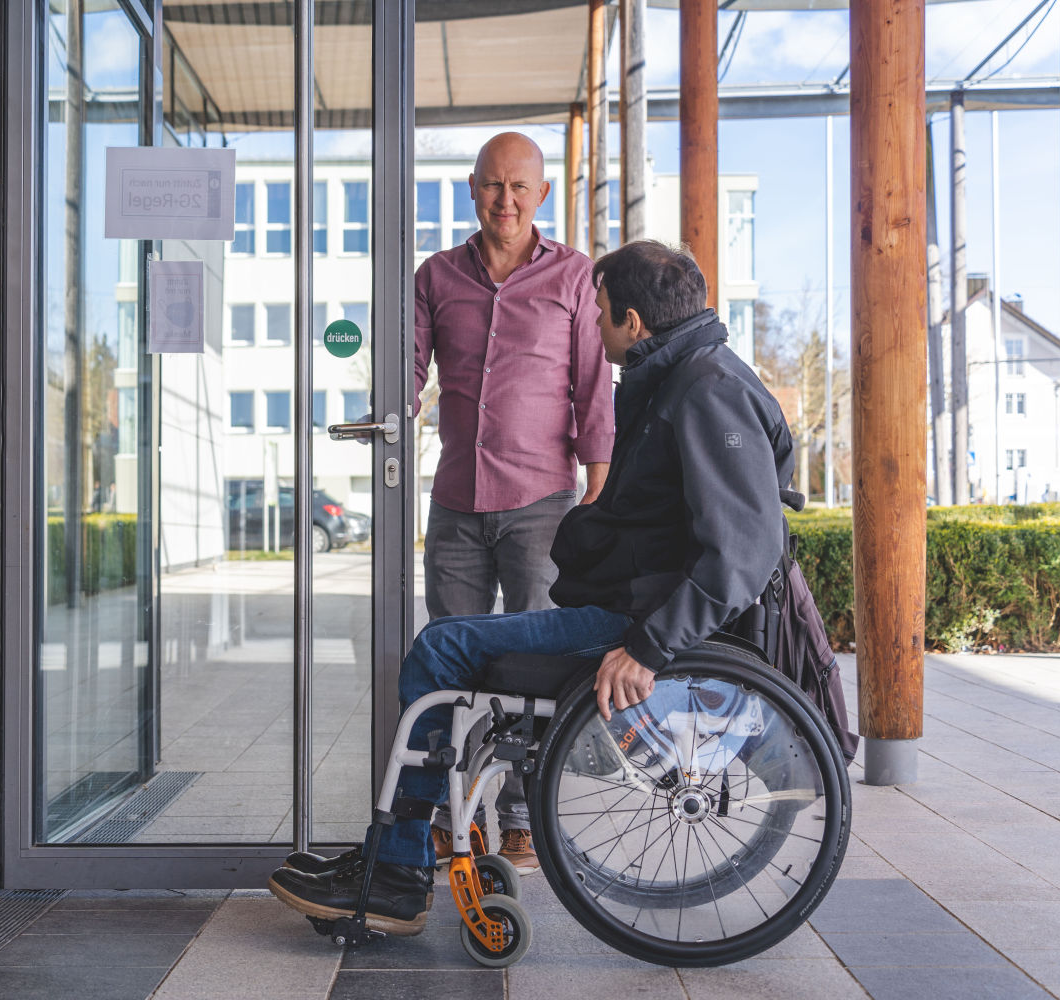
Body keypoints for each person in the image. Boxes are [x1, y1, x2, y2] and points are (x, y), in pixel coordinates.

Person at [268, 239, 795, 936]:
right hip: (625, 606)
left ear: (633, 321)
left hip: (630, 623)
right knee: (449, 646)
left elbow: (747, 548)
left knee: (438, 650)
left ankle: (397, 870)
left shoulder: (704, 390)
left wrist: (647, 648)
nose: (596, 322)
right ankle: (403, 855)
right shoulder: (690, 376)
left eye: (602, 311)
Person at [412, 132, 615, 873]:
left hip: (542, 502)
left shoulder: (574, 277)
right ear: (472, 189)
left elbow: (594, 385)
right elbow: (407, 371)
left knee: (535, 666)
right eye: (493, 186)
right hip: (457, 500)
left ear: (542, 196)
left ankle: (524, 815)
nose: (505, 200)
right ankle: (441, 813)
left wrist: (596, 485)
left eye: (519, 188)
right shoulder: (435, 276)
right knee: (450, 660)